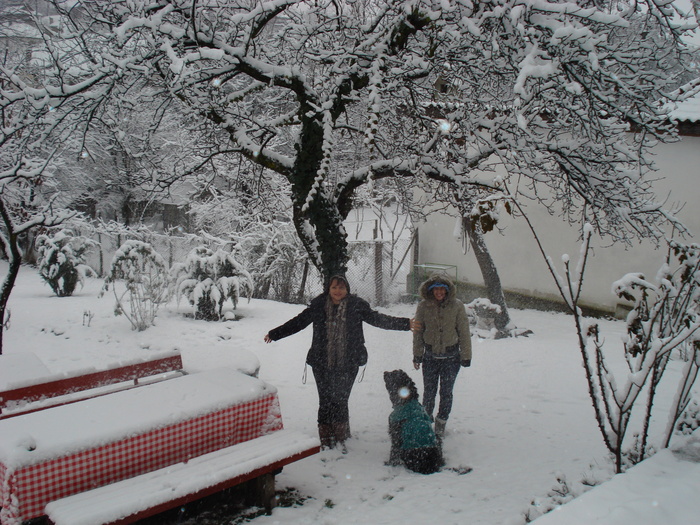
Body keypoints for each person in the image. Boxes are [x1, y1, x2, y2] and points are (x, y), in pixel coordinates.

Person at [264, 275, 415, 450]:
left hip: (348, 362)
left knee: (341, 399)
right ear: (329, 289)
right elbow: (298, 322)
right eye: (334, 287)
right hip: (322, 362)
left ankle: (341, 436)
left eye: (341, 288)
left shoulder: (356, 306)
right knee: (325, 399)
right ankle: (326, 438)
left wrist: (405, 324)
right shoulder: (318, 305)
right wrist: (275, 334)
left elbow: (377, 319)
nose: (338, 291)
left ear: (347, 290)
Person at [413, 275, 471, 439]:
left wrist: (466, 355)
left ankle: (441, 423)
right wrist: (417, 355)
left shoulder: (457, 306)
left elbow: (464, 332)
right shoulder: (423, 307)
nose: (439, 292)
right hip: (430, 358)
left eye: (442, 289)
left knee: (446, 392)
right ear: (431, 291)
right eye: (435, 289)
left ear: (447, 290)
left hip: (451, 359)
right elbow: (418, 332)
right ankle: (426, 421)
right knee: (429, 393)